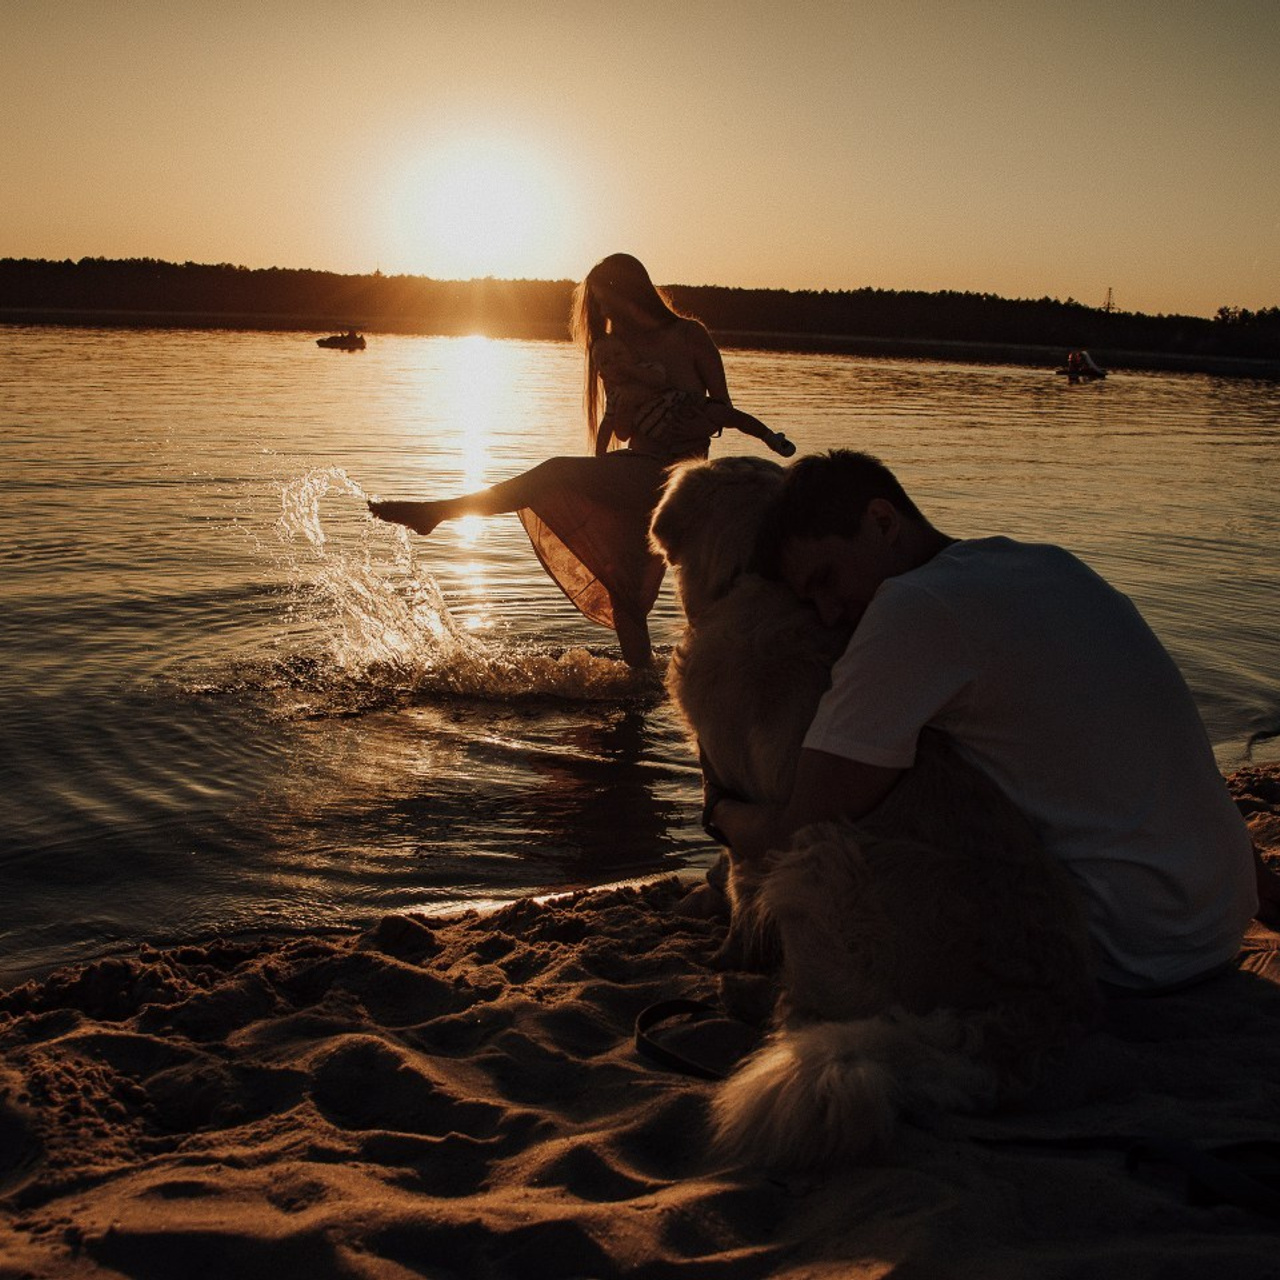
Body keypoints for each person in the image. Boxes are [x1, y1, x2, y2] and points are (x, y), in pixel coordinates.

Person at [707, 448, 1277, 994]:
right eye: (810, 603)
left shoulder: (912, 608)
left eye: (826, 579)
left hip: (1126, 950)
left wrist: (722, 812)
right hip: (1222, 918)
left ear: (882, 521)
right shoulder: (1050, 564)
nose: (829, 613)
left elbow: (805, 827)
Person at [369, 253, 794, 668]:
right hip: (635, 469)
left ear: (630, 293)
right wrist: (628, 405)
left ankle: (440, 513)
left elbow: (722, 407)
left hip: (677, 477)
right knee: (624, 594)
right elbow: (623, 431)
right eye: (598, 304)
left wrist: (685, 419)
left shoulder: (689, 336)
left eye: (606, 300)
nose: (603, 311)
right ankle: (641, 690)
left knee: (553, 473)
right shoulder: (616, 349)